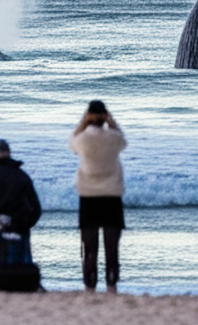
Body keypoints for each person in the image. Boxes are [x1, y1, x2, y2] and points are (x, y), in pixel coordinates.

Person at [69, 100, 127, 293]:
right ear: (105, 116)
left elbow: (72, 142)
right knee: (111, 246)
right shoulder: (114, 137)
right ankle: (111, 285)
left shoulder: (83, 139)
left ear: (88, 117)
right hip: (111, 195)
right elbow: (123, 141)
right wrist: (112, 123)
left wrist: (82, 123)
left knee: (90, 247)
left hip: (88, 196)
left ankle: (90, 286)